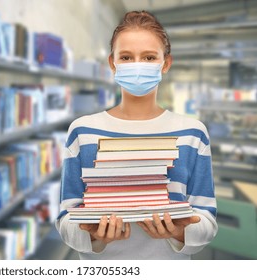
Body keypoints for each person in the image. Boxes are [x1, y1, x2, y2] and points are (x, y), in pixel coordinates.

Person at [55, 10, 218, 260]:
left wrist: (180, 232)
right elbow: (67, 220)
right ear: (113, 63)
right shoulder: (82, 131)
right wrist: (95, 237)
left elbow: (206, 219)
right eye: (127, 57)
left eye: (149, 57)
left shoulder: (193, 133)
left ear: (166, 63)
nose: (138, 66)